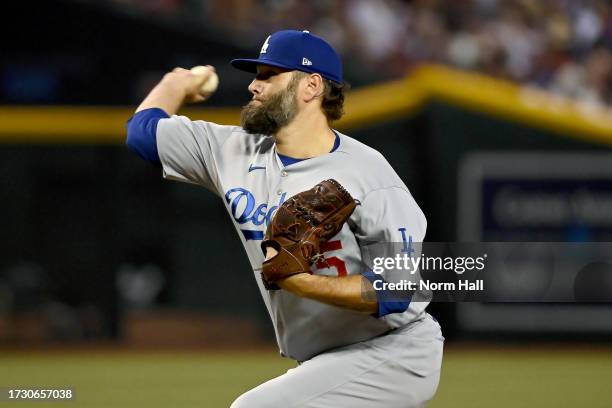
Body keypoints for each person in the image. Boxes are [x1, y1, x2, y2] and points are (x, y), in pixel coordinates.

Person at [126, 29, 443, 408]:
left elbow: (395, 290)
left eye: (268, 75)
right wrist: (174, 84)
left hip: (393, 354)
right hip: (324, 360)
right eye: (255, 75)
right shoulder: (232, 151)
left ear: (311, 86)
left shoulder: (370, 175)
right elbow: (142, 135)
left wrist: (301, 282)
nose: (253, 87)